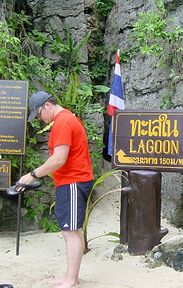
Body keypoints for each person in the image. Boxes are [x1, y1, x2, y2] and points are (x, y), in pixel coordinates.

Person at [17, 91, 93, 288]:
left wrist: (32, 175)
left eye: (39, 114)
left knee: (71, 231)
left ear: (47, 106)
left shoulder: (62, 122)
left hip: (73, 181)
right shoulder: (67, 119)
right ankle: (70, 276)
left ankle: (71, 280)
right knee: (70, 231)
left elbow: (59, 159)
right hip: (70, 182)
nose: (40, 119)